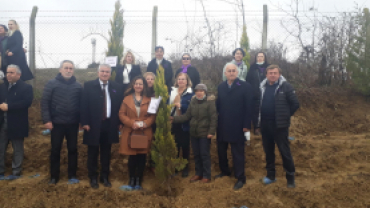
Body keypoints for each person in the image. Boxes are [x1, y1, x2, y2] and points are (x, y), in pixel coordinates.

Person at [80, 64, 124, 189]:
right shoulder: (88, 86)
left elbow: (119, 106)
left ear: (110, 74)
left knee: (106, 152)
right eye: (103, 71)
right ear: (98, 72)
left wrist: (119, 122)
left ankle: (105, 177)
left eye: (107, 72)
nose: (105, 74)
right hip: (93, 125)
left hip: (109, 125)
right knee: (92, 152)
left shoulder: (116, 87)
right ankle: (93, 177)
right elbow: (83, 105)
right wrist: (85, 122)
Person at [41, 60, 82, 185]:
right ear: (60, 69)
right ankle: (54, 177)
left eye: (71, 68)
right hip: (56, 123)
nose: (68, 70)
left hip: (73, 124)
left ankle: (72, 175)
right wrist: (47, 120)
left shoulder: (78, 86)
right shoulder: (51, 84)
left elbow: (82, 105)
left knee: (73, 149)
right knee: (55, 149)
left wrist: (81, 121)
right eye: (66, 68)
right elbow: (45, 103)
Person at [258, 65, 299, 188]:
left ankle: (290, 178)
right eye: (270, 73)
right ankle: (271, 176)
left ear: (279, 74)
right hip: (265, 125)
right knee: (268, 152)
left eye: (275, 73)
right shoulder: (262, 87)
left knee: (284, 151)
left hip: (280, 126)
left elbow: (295, 103)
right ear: (266, 74)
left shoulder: (285, 86)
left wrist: (285, 116)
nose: (272, 75)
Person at [216, 63, 253, 190]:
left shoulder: (245, 86)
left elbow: (249, 108)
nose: (231, 73)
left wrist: (247, 126)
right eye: (229, 71)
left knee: (237, 153)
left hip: (238, 126)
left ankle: (240, 177)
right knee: (221, 151)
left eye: (233, 71)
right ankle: (225, 171)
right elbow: (218, 106)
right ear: (225, 73)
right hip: (222, 125)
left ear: (237, 73)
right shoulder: (221, 87)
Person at [171, 84, 217, 183]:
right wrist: (173, 119)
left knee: (204, 154)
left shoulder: (210, 102)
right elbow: (186, 116)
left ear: (205, 92)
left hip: (204, 133)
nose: (199, 93)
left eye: (201, 91)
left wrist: (211, 132)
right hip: (194, 133)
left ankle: (207, 175)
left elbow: (213, 118)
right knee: (196, 154)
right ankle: (198, 174)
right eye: (197, 91)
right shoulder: (193, 101)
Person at [119, 76, 156, 190]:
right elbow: (121, 114)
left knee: (142, 157)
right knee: (132, 158)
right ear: (133, 85)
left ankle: (139, 181)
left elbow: (152, 116)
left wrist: (145, 123)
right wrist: (132, 123)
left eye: (140, 84)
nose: (138, 86)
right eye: (136, 84)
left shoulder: (150, 100)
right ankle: (131, 180)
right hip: (131, 132)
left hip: (144, 132)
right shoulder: (126, 99)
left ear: (144, 86)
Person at [0, 64, 33, 180]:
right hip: (2, 123)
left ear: (19, 75)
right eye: (7, 72)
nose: (8, 75)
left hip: (17, 124)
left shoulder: (26, 88)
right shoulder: (2, 87)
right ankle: (1, 171)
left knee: (17, 149)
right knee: (1, 148)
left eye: (11, 72)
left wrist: (9, 107)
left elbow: (26, 103)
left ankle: (16, 172)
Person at [169, 73, 194, 177]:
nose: (181, 81)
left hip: (184, 122)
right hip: (172, 121)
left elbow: (191, 107)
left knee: (184, 146)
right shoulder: (172, 91)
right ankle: (175, 167)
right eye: (179, 79)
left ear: (187, 81)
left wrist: (181, 105)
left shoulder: (191, 93)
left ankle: (185, 168)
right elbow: (167, 103)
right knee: (175, 145)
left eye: (183, 79)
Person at [246, 52, 270, 135]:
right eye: (258, 56)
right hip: (255, 93)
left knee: (266, 110)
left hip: (267, 93)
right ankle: (256, 127)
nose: (260, 58)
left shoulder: (268, 67)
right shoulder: (252, 68)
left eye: (261, 56)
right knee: (255, 111)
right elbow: (248, 80)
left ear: (264, 57)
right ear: (256, 57)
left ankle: (266, 127)